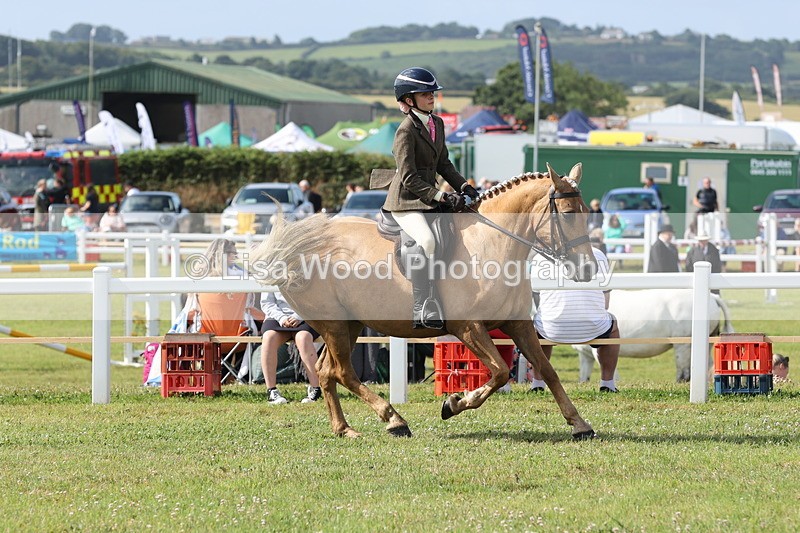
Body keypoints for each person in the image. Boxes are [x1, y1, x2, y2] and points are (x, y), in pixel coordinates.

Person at [375, 66, 479, 329]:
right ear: (409, 100)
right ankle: (422, 305)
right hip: (406, 201)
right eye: (425, 93)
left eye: (432, 92)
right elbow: (409, 178)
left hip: (427, 199)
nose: (432, 96)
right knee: (427, 240)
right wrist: (442, 196)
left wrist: (464, 186)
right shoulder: (405, 131)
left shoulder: (438, 123)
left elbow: (444, 164)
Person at [530, 244, 621, 393]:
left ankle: (537, 383)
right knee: (613, 325)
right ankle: (608, 383)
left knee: (539, 326)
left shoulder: (540, 258)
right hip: (593, 327)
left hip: (552, 329)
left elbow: (536, 295)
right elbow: (606, 301)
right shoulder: (597, 254)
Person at [187, 239, 264, 379]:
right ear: (222, 255)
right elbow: (249, 307)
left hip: (205, 336)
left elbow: (192, 311)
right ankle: (242, 374)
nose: (236, 256)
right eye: (232, 253)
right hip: (238, 338)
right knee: (255, 323)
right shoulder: (242, 277)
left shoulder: (199, 279)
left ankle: (216, 373)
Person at [260, 290, 322, 404]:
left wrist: (298, 316)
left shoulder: (310, 272)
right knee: (268, 337)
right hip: (276, 317)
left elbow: (316, 299)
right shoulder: (271, 273)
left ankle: (316, 388)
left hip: (306, 316)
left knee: (303, 338)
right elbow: (266, 302)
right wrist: (282, 318)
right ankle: (272, 391)